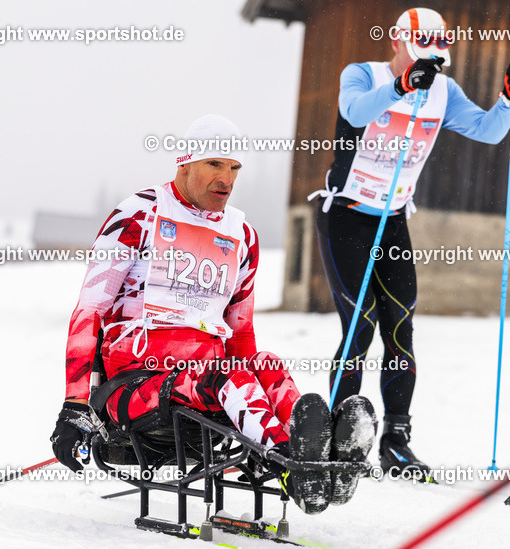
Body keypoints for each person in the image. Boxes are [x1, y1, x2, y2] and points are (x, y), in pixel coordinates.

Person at [51, 114, 377, 515]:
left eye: (234, 167)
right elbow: (90, 310)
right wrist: (75, 404)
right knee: (230, 374)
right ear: (185, 163)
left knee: (266, 363)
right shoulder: (139, 216)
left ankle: (325, 459)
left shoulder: (241, 235)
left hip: (208, 382)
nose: (226, 179)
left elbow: (240, 332)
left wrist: (251, 380)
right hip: (135, 387)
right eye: (214, 164)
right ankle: (293, 466)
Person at [310, 8, 510, 479]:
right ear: (397, 40)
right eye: (421, 45)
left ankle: (396, 441)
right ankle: (335, 436)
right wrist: (401, 86)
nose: (429, 56)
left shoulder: (443, 91)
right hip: (347, 216)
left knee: (401, 328)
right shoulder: (362, 75)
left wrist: (508, 99)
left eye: (437, 47)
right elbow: (354, 112)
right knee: (360, 327)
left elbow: (488, 131)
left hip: (392, 221)